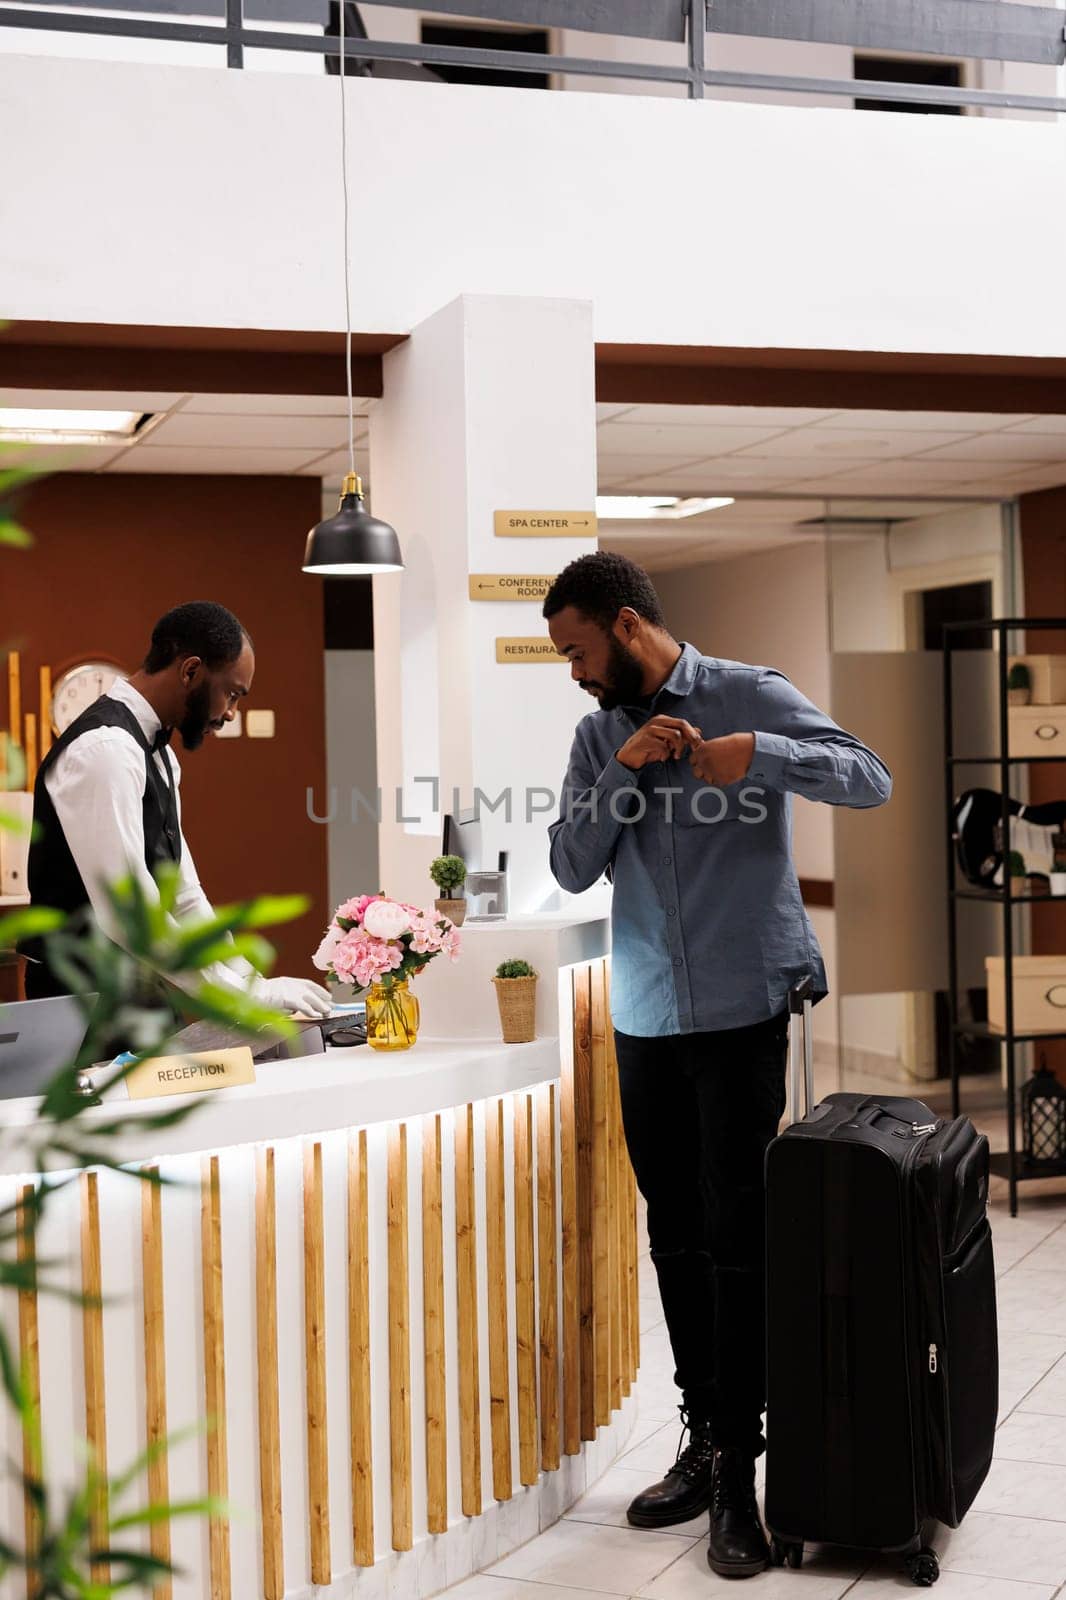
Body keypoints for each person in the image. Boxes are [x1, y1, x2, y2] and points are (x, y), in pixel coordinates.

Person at [543, 552, 891, 1580]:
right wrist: (623, 769)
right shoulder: (594, 733)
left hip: (742, 1012)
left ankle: (742, 1474)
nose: (572, 670)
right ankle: (701, 1437)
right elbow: (569, 863)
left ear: (623, 623)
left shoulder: (750, 691)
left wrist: (763, 753)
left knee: (740, 1235)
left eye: (576, 649)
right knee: (677, 1236)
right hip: (645, 1017)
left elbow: (869, 776)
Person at [23, 600, 332, 1018]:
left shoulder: (161, 757)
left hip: (140, 995)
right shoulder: (105, 751)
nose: (229, 713)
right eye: (232, 694)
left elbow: (184, 896)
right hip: (83, 1006)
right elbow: (129, 917)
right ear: (190, 671)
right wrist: (242, 997)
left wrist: (248, 983)